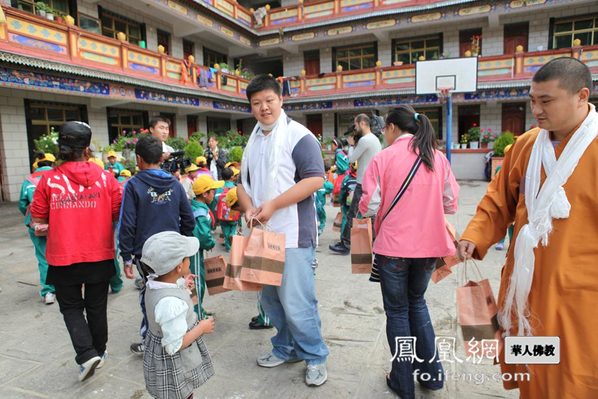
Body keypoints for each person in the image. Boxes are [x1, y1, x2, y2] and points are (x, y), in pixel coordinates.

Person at [458, 57, 598, 399]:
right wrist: (473, 236)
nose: (536, 109)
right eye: (533, 100)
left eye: (546, 101)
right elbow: (498, 200)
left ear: (581, 96)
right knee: (533, 373)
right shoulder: (526, 145)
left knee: (575, 377)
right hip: (526, 290)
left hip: (581, 295)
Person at [359, 106, 459, 399]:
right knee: (417, 303)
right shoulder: (437, 157)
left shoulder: (383, 158)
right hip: (429, 247)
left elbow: (370, 205)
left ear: (391, 127)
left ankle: (403, 383)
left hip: (393, 249)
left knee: (398, 311)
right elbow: (450, 203)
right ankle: (432, 376)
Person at [236, 75, 329, 386]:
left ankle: (315, 355)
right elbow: (242, 183)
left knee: (297, 301)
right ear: (251, 107)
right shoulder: (253, 141)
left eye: (269, 101)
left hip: (292, 234)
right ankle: (286, 347)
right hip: (262, 233)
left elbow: (316, 179)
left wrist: (274, 204)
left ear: (281, 100)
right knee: (271, 300)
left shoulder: (298, 136)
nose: (264, 108)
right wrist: (248, 206)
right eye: (257, 103)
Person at [30, 121, 122, 381]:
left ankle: (85, 353)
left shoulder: (48, 179)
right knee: (96, 306)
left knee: (70, 307)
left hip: (63, 256)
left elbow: (37, 219)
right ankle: (99, 352)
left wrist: (53, 223)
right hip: (100, 253)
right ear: (87, 148)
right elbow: (117, 212)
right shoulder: (107, 178)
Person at [119, 135, 195, 355]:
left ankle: (151, 339)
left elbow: (127, 222)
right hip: (173, 251)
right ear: (161, 158)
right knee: (176, 288)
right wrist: (182, 244)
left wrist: (126, 256)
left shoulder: (133, 185)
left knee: (150, 294)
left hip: (146, 255)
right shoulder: (175, 183)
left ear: (139, 159)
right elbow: (187, 218)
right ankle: (181, 332)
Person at [141, 231, 215, 399]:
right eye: (187, 257)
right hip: (174, 365)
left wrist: (182, 283)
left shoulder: (154, 282)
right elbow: (175, 345)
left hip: (159, 354)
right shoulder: (170, 303)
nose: (190, 258)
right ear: (179, 267)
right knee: (180, 395)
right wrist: (202, 328)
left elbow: (167, 286)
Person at [329, 114, 381, 255]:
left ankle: (345, 244)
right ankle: (377, 244)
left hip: (362, 183)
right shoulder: (374, 139)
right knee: (369, 214)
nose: (355, 128)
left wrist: (352, 144)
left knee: (353, 214)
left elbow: (351, 159)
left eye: (356, 125)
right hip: (371, 182)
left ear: (363, 123)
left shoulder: (365, 140)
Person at [18, 152, 56, 304]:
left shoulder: (28, 181)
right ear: (52, 163)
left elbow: (22, 204)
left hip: (37, 226)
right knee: (60, 254)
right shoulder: (57, 177)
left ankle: (48, 292)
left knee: (43, 257)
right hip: (58, 224)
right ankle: (66, 287)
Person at [190, 174, 223, 319]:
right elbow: (203, 235)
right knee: (197, 282)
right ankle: (196, 313)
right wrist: (210, 243)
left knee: (195, 281)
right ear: (205, 194)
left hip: (192, 249)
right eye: (212, 191)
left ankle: (198, 309)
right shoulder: (201, 211)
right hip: (194, 251)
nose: (214, 194)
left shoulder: (195, 205)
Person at [215, 168, 239, 251]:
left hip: (222, 213)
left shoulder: (219, 188)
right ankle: (233, 234)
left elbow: (215, 199)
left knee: (225, 229)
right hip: (233, 211)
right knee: (233, 225)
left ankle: (228, 247)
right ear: (232, 177)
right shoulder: (236, 188)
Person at [315, 159, 334, 236]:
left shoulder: (316, 175)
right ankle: (319, 229)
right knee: (322, 217)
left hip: (313, 201)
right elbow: (330, 187)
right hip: (320, 202)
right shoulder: (325, 180)